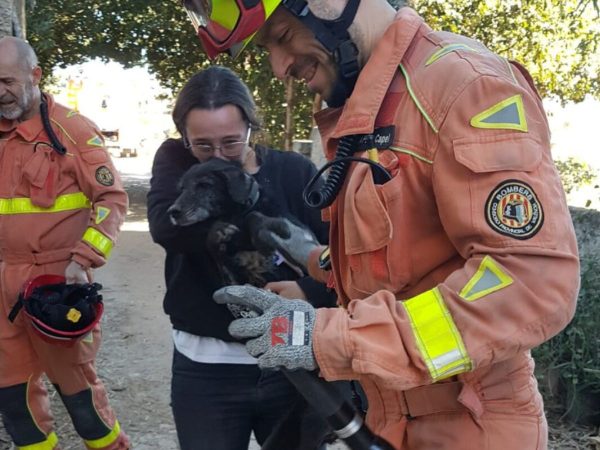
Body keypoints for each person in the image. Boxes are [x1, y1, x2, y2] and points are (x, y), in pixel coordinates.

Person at [181, 1, 581, 449]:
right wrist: (313, 258)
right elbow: (409, 257)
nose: (279, 67)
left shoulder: (464, 84)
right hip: (391, 417)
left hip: (472, 422)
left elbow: (530, 283)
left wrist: (327, 338)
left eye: (283, 35)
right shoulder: (374, 105)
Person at [146, 65, 336, 450]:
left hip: (292, 363)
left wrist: (308, 289)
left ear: (252, 126)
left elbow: (339, 256)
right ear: (184, 137)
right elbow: (166, 229)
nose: (219, 155)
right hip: (206, 368)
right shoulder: (177, 163)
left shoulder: (293, 170)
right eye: (203, 145)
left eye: (232, 143)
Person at [0, 37, 130, 449]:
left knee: (80, 399)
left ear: (35, 76)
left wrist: (84, 259)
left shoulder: (72, 130)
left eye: (5, 80)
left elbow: (112, 199)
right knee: (14, 400)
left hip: (55, 283)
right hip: (2, 282)